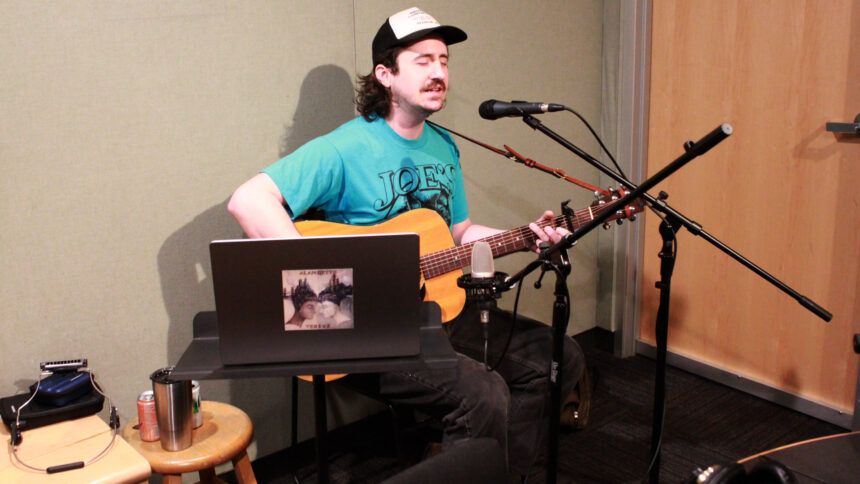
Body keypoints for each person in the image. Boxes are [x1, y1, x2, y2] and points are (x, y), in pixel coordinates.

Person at [228, 6, 585, 477]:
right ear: (386, 74)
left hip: (443, 308)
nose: (439, 72)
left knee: (559, 356)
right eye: (423, 60)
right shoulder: (345, 148)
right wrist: (315, 281)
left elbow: (459, 234)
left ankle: (495, 472)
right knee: (483, 395)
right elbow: (248, 201)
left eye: (444, 60)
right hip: (375, 327)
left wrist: (525, 239)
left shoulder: (444, 145)